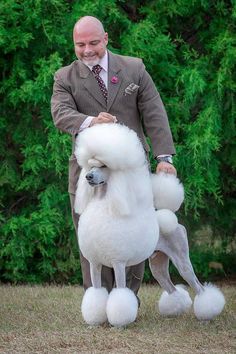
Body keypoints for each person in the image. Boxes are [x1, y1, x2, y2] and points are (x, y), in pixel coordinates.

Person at [51, 16, 176, 295]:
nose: (87, 50)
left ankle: (128, 298)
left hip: (132, 170)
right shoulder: (64, 77)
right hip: (88, 171)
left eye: (93, 43)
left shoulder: (134, 68)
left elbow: (154, 112)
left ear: (105, 39)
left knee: (134, 229)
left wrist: (164, 158)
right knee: (90, 233)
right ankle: (97, 299)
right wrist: (92, 122)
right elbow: (60, 115)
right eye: (80, 44)